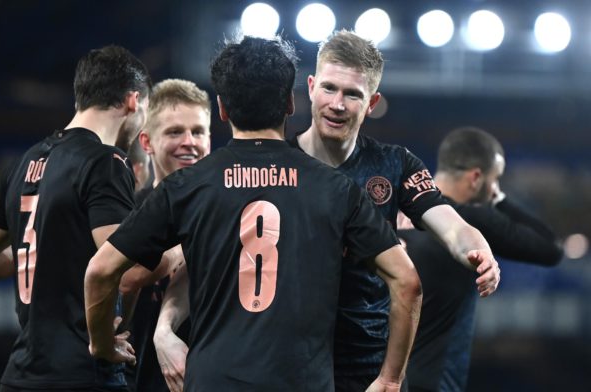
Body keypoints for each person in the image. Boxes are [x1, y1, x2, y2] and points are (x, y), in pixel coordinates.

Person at [84, 35, 422, 392]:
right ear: (291, 103)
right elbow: (408, 282)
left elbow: (101, 270)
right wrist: (389, 379)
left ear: (223, 109)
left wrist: (102, 344)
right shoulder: (335, 189)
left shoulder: (187, 186)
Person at [284, 30, 501, 391]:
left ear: (372, 102)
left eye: (352, 94)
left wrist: (481, 252)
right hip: (289, 360)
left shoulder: (395, 164)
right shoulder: (277, 163)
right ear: (310, 86)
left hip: (367, 367)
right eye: (329, 88)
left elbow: (449, 223)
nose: (337, 104)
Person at [0, 44, 151, 391]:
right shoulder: (105, 162)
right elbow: (124, 267)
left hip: (20, 376)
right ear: (133, 101)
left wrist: (37, 258)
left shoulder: (24, 163)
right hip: (82, 374)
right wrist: (104, 343)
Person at [399, 127, 563, 392]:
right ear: (476, 177)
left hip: (383, 379)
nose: (493, 188)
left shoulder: (396, 211)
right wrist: (499, 199)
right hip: (436, 382)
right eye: (494, 179)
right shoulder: (471, 221)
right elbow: (550, 248)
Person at [119, 78, 212, 392]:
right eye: (175, 132)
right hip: (138, 380)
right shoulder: (127, 211)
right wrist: (187, 246)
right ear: (147, 142)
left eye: (198, 131)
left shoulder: (230, 210)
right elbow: (123, 279)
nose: (189, 142)